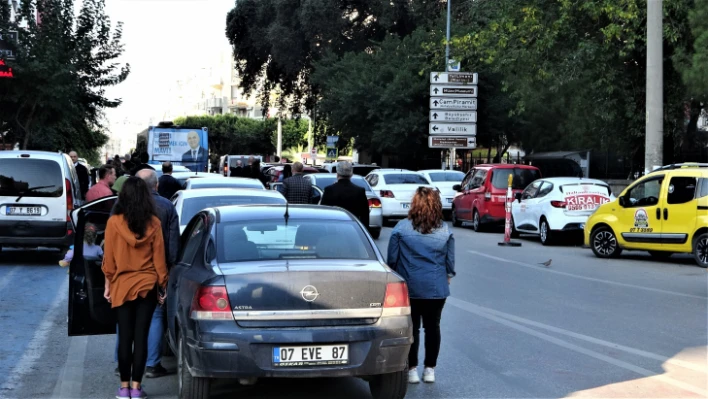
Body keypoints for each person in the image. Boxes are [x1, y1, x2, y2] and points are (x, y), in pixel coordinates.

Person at [102, 177, 168, 399]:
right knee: (141, 337)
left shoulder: (113, 223)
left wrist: (108, 283)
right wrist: (163, 286)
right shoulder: (154, 223)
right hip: (147, 286)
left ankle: (123, 388)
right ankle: (137, 388)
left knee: (124, 337)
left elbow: (109, 260)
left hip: (122, 285)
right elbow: (160, 261)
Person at [386, 186, 455, 385]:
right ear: (437, 206)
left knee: (412, 328)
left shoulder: (400, 228)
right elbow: (450, 262)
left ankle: (412, 370)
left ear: (414, 204)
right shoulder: (444, 230)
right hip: (436, 287)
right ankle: (430, 369)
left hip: (409, 287)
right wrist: (448, 275)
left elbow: (392, 259)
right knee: (433, 327)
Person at [320, 161, 370, 227]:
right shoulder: (360, 191)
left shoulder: (329, 190)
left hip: (333, 227)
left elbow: (323, 212)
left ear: (337, 174)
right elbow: (365, 216)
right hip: (352, 228)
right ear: (351, 174)